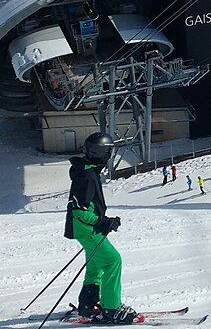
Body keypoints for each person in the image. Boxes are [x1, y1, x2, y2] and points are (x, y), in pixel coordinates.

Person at [65, 133, 137, 324]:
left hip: (86, 229)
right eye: (108, 151)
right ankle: (112, 308)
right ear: (100, 153)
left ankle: (88, 303)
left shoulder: (88, 171)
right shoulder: (87, 176)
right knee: (113, 261)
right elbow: (79, 211)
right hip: (87, 230)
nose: (110, 155)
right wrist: (104, 222)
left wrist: (105, 221)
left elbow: (86, 207)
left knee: (96, 265)